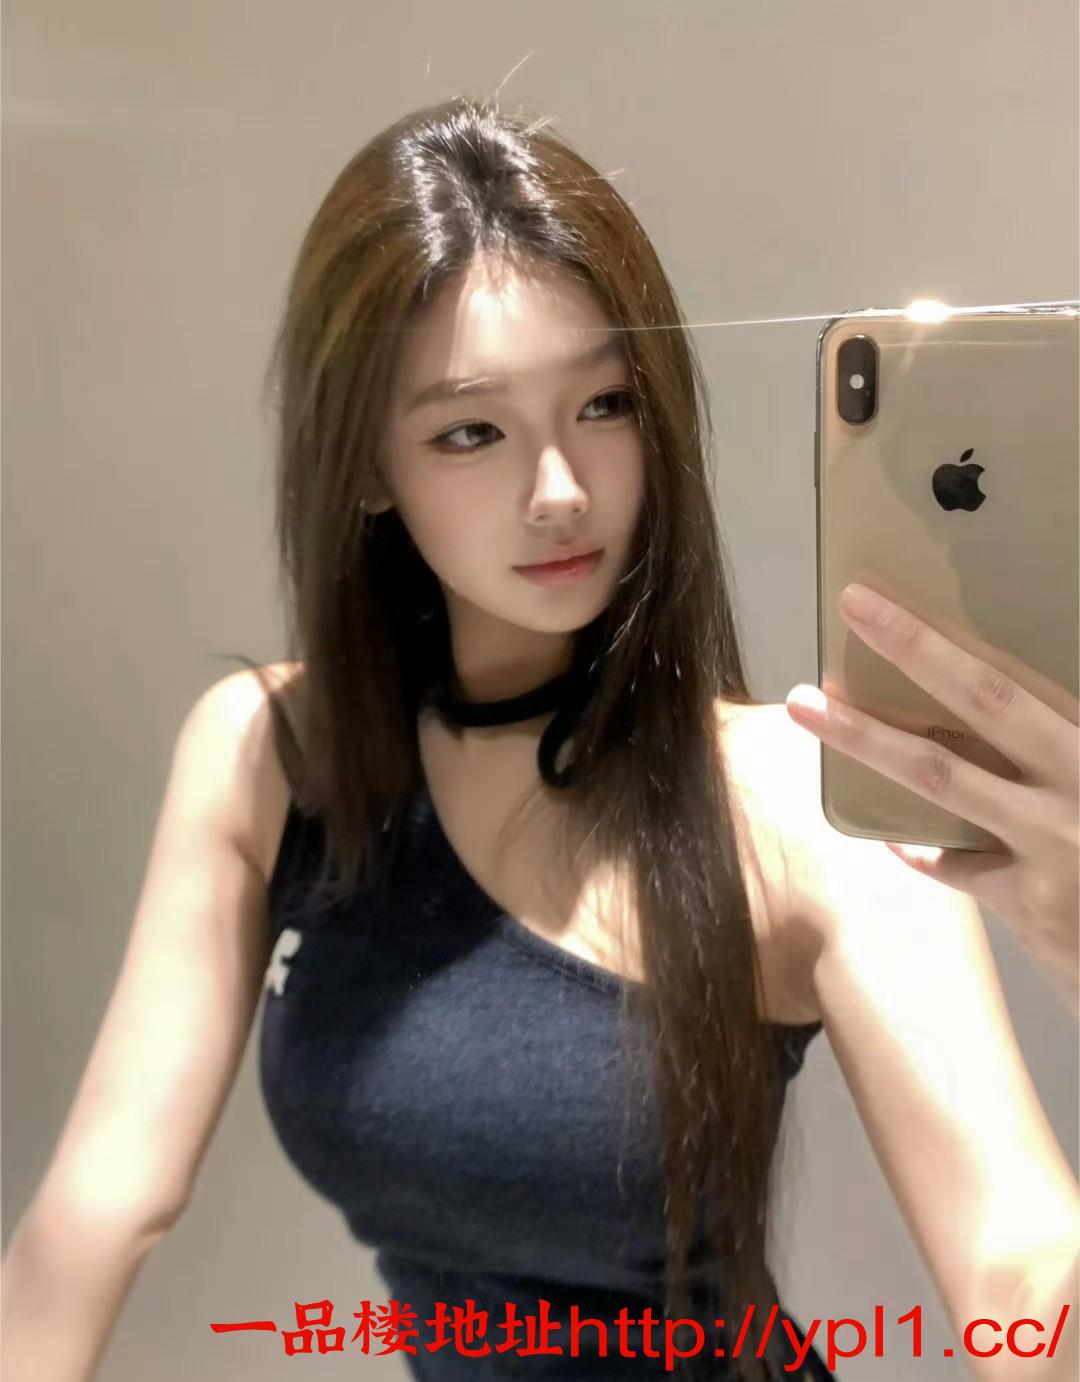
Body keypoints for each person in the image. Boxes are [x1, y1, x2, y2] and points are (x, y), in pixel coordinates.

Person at [2, 95, 1077, 1382]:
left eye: (605, 403)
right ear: (366, 465)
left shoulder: (796, 802)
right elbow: (96, 1214)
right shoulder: (275, 759)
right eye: (471, 429)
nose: (560, 488)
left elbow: (1022, 1288)